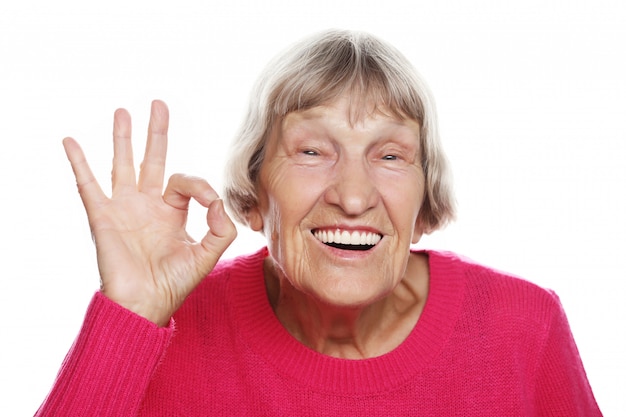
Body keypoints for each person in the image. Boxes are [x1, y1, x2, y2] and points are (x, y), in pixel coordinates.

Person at [35, 30, 602, 416]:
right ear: (254, 195)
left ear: (425, 205)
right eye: (311, 152)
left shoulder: (525, 329)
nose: (354, 197)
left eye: (389, 155)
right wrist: (127, 318)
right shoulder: (164, 330)